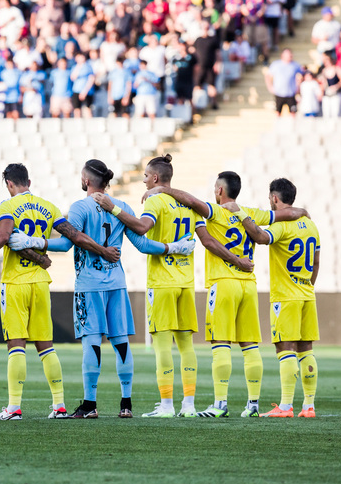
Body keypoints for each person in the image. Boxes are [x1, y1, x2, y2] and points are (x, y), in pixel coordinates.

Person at [0, 163, 120, 420]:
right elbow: (74, 237)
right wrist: (103, 250)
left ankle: (14, 408)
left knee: (16, 346)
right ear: (28, 181)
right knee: (46, 347)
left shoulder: (7, 207)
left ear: (9, 184)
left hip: (16, 282)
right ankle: (60, 406)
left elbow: (3, 236)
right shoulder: (48, 206)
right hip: (41, 283)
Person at [144, 171, 306, 418]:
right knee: (250, 346)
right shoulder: (251, 213)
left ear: (220, 190)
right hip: (249, 286)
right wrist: (303, 212)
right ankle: (252, 405)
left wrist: (163, 190)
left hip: (223, 284)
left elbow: (191, 202)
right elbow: (287, 213)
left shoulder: (214, 211)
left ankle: (220, 404)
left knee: (221, 344)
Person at [42, 159, 194, 419]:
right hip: (117, 284)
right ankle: (126, 403)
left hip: (89, 286)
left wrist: (35, 242)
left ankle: (89, 405)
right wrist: (173, 247)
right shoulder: (120, 207)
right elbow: (144, 245)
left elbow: (67, 245)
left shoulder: (79, 207)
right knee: (121, 342)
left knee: (92, 342)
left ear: (87, 180)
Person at [94, 155, 241, 418]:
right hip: (185, 283)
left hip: (162, 283)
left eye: (145, 176)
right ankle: (189, 405)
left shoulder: (155, 200)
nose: (142, 180)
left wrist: (113, 208)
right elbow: (205, 239)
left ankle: (166, 406)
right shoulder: (187, 204)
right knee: (186, 346)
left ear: (155, 178)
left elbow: (141, 227)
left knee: (162, 346)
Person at [238, 178, 321, 417]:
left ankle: (285, 406)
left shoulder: (282, 226)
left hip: (285, 297)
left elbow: (261, 237)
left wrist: (242, 215)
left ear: (275, 198)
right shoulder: (311, 225)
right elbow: (316, 262)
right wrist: (307, 286)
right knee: (306, 350)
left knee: (285, 349)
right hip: (307, 294)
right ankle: (309, 405)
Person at [264, 48, 303, 116]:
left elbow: (301, 75)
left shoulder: (295, 65)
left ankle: (292, 126)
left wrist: (298, 86)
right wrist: (270, 87)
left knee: (293, 113)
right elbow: (268, 76)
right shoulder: (276, 64)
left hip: (290, 93)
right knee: (278, 112)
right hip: (279, 92)